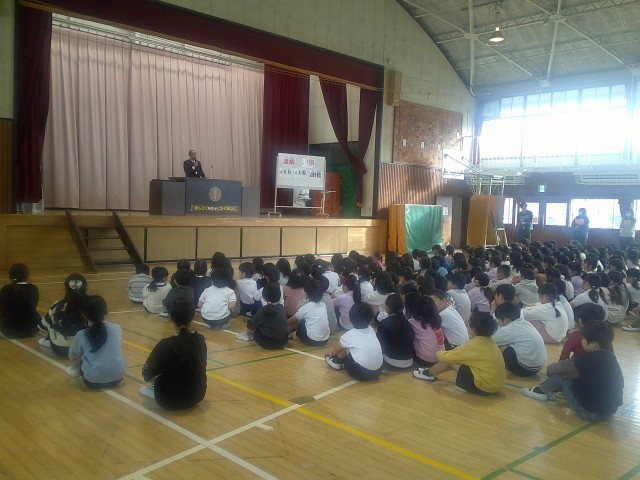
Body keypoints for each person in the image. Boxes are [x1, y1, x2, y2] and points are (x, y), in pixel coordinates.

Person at [522, 321, 623, 422]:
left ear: (593, 343)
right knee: (575, 377)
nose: (582, 341)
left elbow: (553, 369)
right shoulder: (611, 358)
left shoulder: (584, 359)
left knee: (559, 377)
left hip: (589, 413)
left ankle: (539, 390)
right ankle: (549, 390)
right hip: (611, 410)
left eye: (583, 339)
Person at [413, 312, 505, 395]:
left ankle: (428, 373)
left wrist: (438, 352)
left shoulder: (475, 344)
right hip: (496, 385)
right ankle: (430, 371)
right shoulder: (489, 341)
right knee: (456, 359)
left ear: (473, 328)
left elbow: (446, 357)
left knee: (450, 361)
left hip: (484, 387)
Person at [139, 297, 207, 410]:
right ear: (193, 316)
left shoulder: (166, 344)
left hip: (169, 400)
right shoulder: (200, 339)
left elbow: (146, 373)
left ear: (171, 317)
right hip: (198, 395)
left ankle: (155, 389)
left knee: (158, 371)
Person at [67, 295, 126, 389]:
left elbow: (72, 356)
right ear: (106, 311)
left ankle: (77, 371)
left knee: (81, 357)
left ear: (84, 314)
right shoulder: (117, 328)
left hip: (92, 381)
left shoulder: (82, 334)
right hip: (118, 377)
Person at [324, 303, 383, 381]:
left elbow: (337, 349)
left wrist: (331, 354)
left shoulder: (350, 334)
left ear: (350, 318)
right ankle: (337, 361)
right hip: (378, 371)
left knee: (347, 348)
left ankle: (336, 361)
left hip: (361, 373)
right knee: (352, 347)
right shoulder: (371, 330)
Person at [39, 273, 88, 357]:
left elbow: (43, 326)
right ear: (85, 288)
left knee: (51, 322)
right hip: (83, 349)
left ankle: (55, 340)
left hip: (59, 348)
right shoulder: (91, 306)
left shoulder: (57, 305)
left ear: (66, 288)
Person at [493, 303, 547, 377]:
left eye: (499, 321)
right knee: (508, 342)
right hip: (538, 367)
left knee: (498, 345)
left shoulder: (511, 328)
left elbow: (492, 339)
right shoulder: (524, 322)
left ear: (505, 321)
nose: (499, 323)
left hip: (525, 369)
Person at [235, 283, 289, 349]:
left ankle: (246, 335)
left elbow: (251, 324)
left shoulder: (264, 309)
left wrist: (248, 324)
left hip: (266, 341)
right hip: (283, 341)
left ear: (264, 295)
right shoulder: (281, 308)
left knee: (253, 323)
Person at [0, 263, 40, 338]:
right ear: (27, 276)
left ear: (10, 275)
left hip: (8, 330)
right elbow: (34, 306)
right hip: (31, 329)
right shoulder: (33, 288)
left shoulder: (5, 289)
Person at [375, 294, 415, 369]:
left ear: (386, 307)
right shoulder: (408, 323)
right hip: (409, 361)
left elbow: (378, 343)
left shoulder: (384, 323)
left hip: (392, 361)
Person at [288, 279, 330, 346]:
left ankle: (287, 334)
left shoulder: (307, 306)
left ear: (307, 294)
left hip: (312, 340)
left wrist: (284, 324)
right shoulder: (323, 305)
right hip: (325, 339)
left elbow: (293, 319)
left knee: (300, 321)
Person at [408, 295, 445, 366]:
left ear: (415, 309)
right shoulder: (437, 320)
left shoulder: (413, 322)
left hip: (425, 359)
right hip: (440, 357)